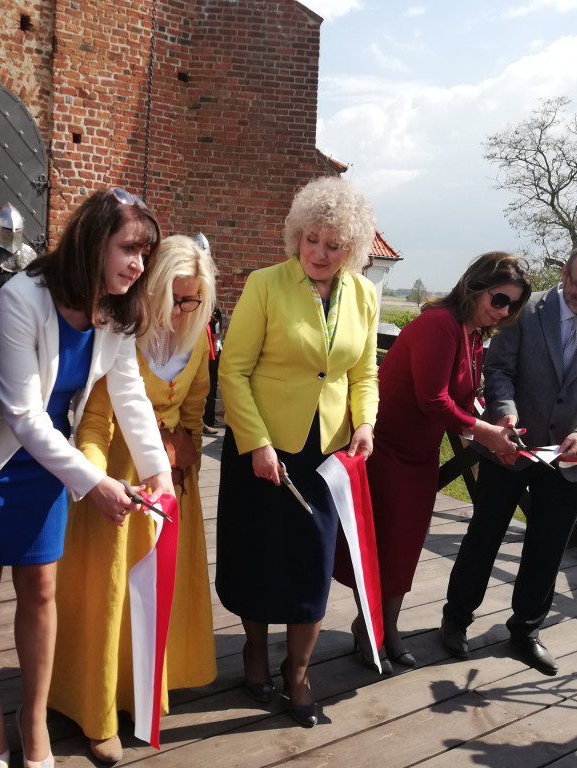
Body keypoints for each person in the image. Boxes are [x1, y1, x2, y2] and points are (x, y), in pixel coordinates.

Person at [0, 188, 173, 768]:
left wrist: (158, 471)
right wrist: (96, 482)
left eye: (145, 255)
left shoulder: (114, 307)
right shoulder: (21, 299)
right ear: (93, 241)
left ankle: (33, 720)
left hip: (51, 466)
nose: (138, 265)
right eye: (129, 248)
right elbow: (23, 416)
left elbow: (127, 393)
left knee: (41, 590)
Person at [216, 176, 379, 728]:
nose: (320, 253)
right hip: (261, 447)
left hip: (326, 453)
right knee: (260, 554)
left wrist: (366, 424)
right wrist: (257, 443)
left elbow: (364, 372)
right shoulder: (265, 284)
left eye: (334, 245)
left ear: (352, 250)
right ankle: (255, 651)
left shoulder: (365, 294)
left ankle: (299, 671)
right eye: (312, 239)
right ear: (297, 235)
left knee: (312, 562)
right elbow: (232, 370)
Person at [48, 234, 218, 764]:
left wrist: (181, 459)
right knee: (108, 598)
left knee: (153, 595)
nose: (183, 309)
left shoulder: (195, 339)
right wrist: (97, 482)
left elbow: (195, 410)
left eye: (193, 300)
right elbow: (94, 423)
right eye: (175, 297)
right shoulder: (120, 334)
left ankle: (143, 690)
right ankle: (97, 709)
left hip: (168, 490)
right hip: (112, 488)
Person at [440, 241, 577, 676]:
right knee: (483, 536)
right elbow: (499, 370)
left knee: (548, 550)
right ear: (564, 273)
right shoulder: (524, 310)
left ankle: (526, 630)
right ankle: (455, 619)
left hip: (569, 461)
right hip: (508, 448)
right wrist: (503, 415)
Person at [335, 252, 528, 672]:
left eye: (514, 305)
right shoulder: (439, 325)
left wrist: (499, 422)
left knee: (405, 547)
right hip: (386, 449)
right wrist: (485, 433)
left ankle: (384, 628)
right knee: (382, 545)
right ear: (475, 286)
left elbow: (460, 399)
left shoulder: (472, 332)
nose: (505, 311)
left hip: (420, 454)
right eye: (500, 299)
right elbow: (432, 399)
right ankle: (373, 630)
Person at [203, 302, 224, 435]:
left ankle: (203, 422)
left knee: (207, 389)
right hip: (200, 355)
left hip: (210, 356)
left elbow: (217, 335)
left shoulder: (214, 319)